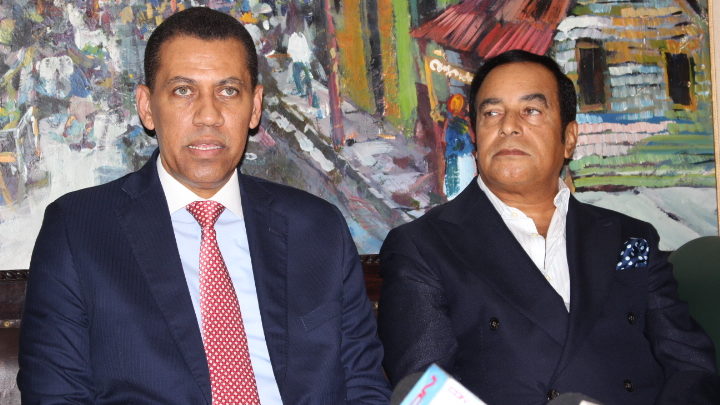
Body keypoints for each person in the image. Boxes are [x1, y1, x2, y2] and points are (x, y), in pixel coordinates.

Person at [18, 7, 390, 404]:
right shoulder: (79, 230)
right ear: (147, 106)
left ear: (255, 106)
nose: (208, 116)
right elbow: (55, 394)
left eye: (228, 91)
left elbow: (364, 386)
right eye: (183, 90)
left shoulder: (317, 229)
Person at [377, 50, 719, 405]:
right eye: (492, 113)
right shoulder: (423, 247)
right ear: (476, 139)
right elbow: (426, 389)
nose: (508, 126)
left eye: (531, 110)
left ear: (569, 138)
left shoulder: (631, 236)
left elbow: (691, 365)